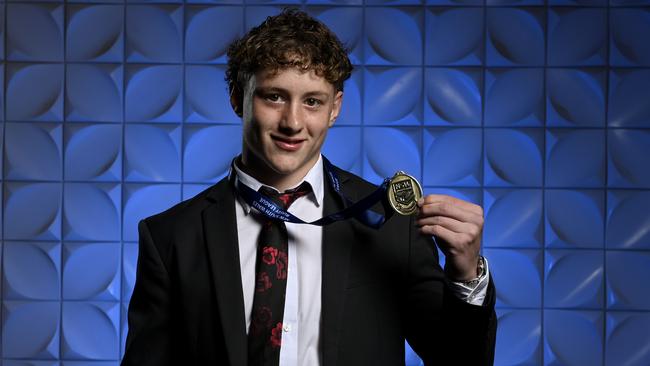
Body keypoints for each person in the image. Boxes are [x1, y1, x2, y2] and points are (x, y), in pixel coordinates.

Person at [122, 8, 496, 366]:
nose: (293, 122)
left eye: (312, 101)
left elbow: (458, 361)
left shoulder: (390, 224)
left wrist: (466, 276)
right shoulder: (170, 236)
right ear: (238, 98)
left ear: (334, 108)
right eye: (274, 96)